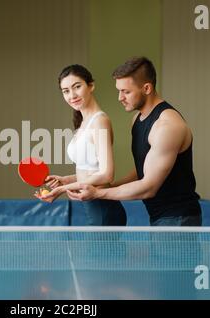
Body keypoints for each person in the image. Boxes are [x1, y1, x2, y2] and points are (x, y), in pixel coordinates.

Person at [65, 57, 202, 226]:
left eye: (126, 92)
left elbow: (148, 187)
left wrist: (98, 194)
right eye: (119, 91)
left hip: (178, 218)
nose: (120, 98)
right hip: (158, 216)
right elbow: (142, 171)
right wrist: (106, 186)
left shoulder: (167, 126)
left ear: (146, 88)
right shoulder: (137, 119)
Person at [36, 64, 127, 226]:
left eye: (77, 87)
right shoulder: (83, 123)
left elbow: (107, 175)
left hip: (103, 209)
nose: (72, 95)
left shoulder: (100, 121)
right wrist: (66, 180)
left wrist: (63, 189)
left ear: (91, 85)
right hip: (91, 206)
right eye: (66, 91)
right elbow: (91, 170)